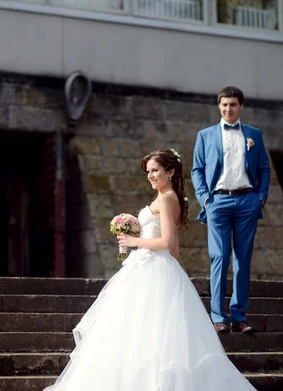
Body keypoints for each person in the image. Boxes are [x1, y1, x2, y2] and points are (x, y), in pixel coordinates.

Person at [44, 149, 256, 391]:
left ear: (171, 171)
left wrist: (135, 242)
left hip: (155, 272)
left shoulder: (167, 199)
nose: (151, 176)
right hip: (143, 268)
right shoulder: (164, 197)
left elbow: (170, 246)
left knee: (151, 337)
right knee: (134, 336)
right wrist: (135, 236)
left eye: (155, 170)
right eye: (148, 172)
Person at [191, 86, 270, 334]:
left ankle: (238, 316)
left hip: (247, 201)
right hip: (218, 203)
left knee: (243, 260)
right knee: (219, 257)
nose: (228, 109)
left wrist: (260, 198)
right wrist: (205, 199)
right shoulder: (205, 135)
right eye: (224, 104)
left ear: (241, 106)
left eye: (233, 104)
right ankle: (217, 316)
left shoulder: (254, 135)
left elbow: (264, 169)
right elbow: (197, 169)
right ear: (219, 106)